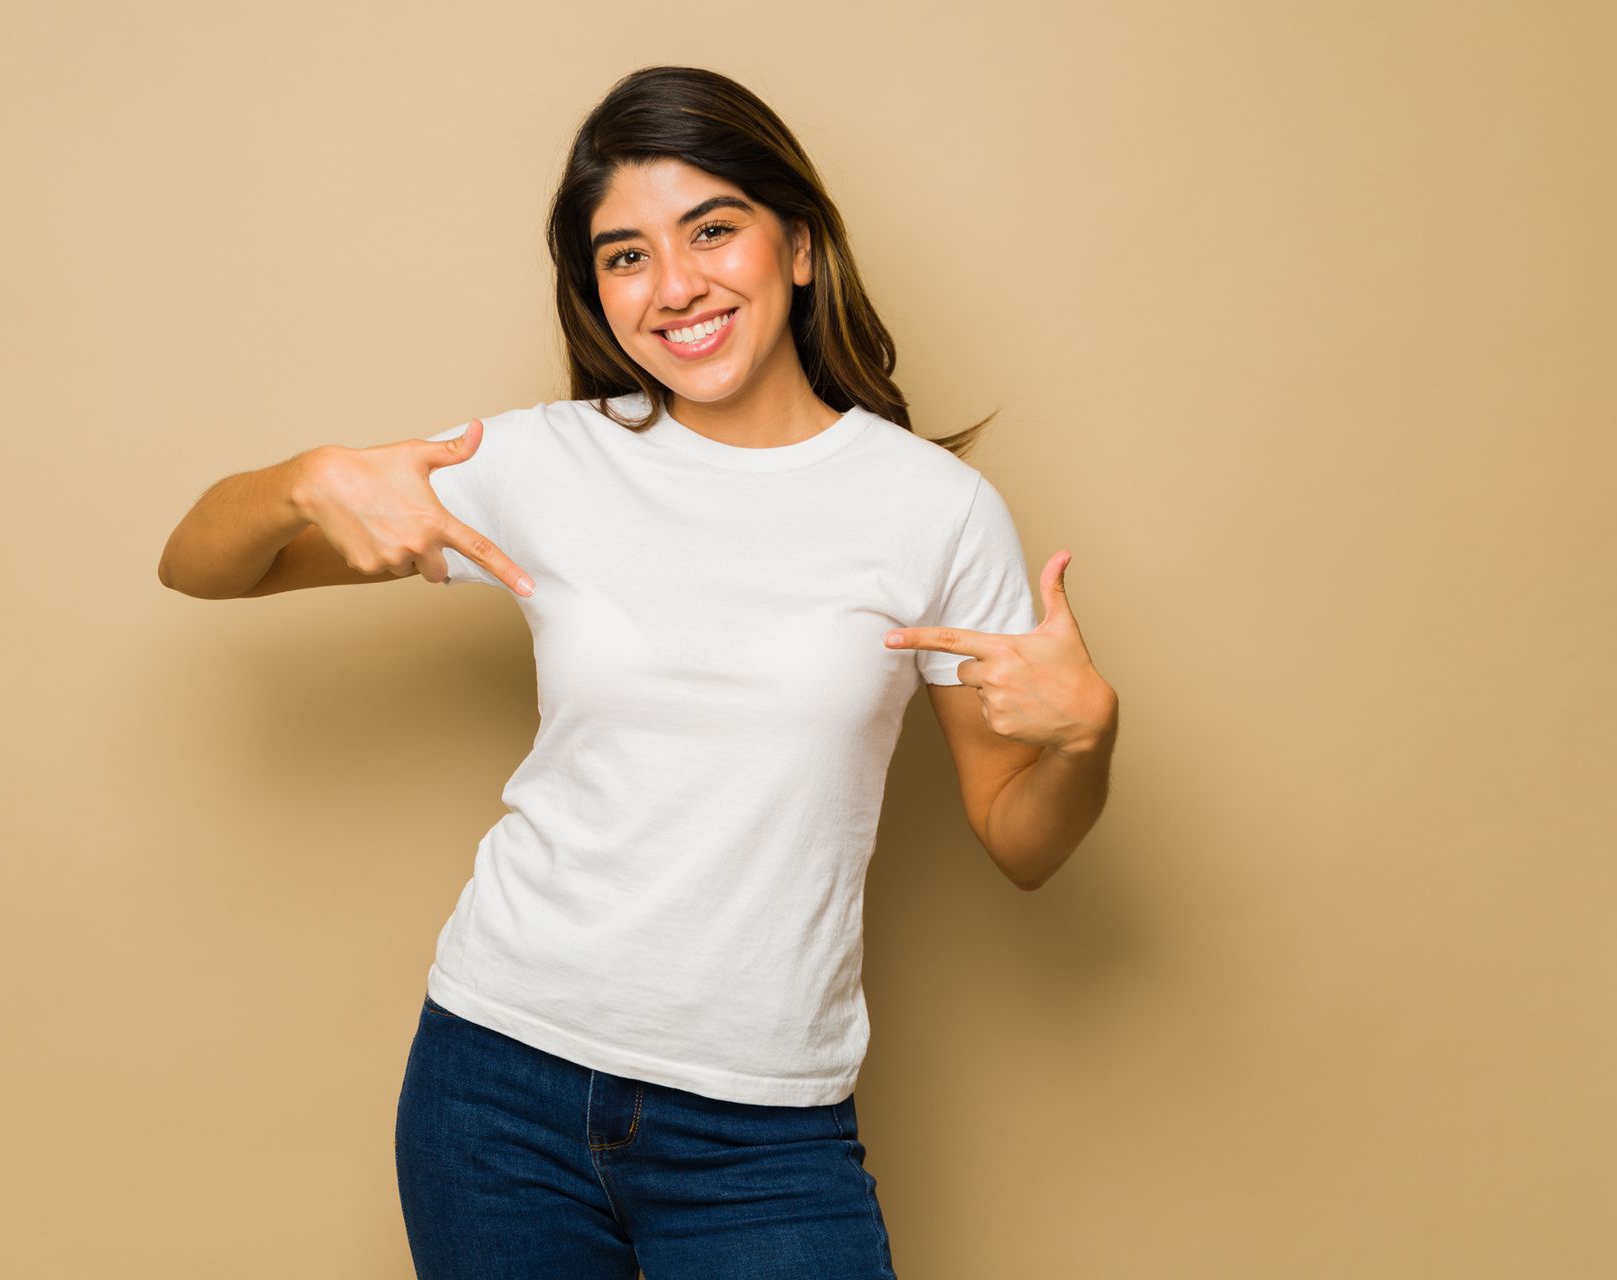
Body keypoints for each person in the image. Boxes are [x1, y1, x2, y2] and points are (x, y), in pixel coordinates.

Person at [158, 63, 1118, 1280]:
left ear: (803, 246)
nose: (674, 286)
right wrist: (305, 476)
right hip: (494, 1091)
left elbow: (1019, 838)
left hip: (763, 1133)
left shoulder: (934, 512)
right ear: (595, 289)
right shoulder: (541, 463)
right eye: (625, 255)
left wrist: (1086, 743)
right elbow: (200, 565)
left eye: (713, 229)